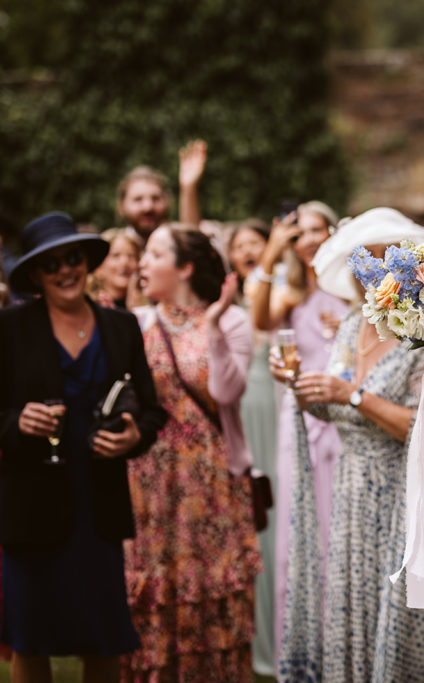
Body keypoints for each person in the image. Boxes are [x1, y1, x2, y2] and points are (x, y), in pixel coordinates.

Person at [276, 208, 424, 682]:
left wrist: (352, 394)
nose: (372, 271)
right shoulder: (350, 327)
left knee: (410, 622)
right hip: (353, 498)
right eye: (362, 260)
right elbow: (336, 405)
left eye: (384, 260)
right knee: (358, 610)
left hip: (410, 500)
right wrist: (302, 386)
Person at [0, 212, 166, 683]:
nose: (64, 270)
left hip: (99, 506)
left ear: (87, 262)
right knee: (32, 638)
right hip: (31, 505)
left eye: (72, 258)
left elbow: (152, 412)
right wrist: (15, 420)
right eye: (50, 264)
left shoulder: (121, 326)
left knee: (104, 635)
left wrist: (136, 435)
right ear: (35, 275)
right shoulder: (9, 328)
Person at [123, 225, 262, 681]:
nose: (141, 263)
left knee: (211, 593)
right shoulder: (137, 323)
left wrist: (217, 323)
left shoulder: (233, 321)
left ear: (184, 267)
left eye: (154, 254)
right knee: (157, 592)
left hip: (213, 482)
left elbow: (226, 391)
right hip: (150, 483)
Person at [249, 201, 349, 661]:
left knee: (338, 526)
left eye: (317, 229)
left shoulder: (352, 288)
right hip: (301, 420)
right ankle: (304, 646)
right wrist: (270, 254)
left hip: (344, 417)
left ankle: (343, 638)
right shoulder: (291, 292)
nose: (309, 238)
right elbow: (260, 322)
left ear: (332, 232)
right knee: (300, 527)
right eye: (300, 232)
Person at [226, 218, 279, 677]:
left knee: (279, 519)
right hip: (242, 419)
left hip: (276, 416)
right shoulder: (224, 304)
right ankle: (255, 634)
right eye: (238, 245)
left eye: (254, 243)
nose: (246, 250)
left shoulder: (277, 296)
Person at [116, 139, 207, 241]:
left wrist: (189, 188)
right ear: (121, 206)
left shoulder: (175, 241)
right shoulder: (112, 246)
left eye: (156, 199)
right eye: (138, 199)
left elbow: (192, 242)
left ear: (168, 202)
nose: (148, 207)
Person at [89, 228, 144, 310]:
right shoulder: (90, 308)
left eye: (131, 256)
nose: (125, 262)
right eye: (116, 255)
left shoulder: (151, 307)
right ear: (99, 267)